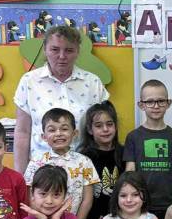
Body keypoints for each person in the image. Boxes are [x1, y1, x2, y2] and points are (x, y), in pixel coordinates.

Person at [14, 25, 109, 176]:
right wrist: (19, 177)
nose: (62, 56)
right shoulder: (29, 81)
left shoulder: (92, 83)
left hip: (83, 172)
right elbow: (22, 132)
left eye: (69, 50)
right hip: (41, 174)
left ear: (77, 51)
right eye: (55, 49)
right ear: (45, 49)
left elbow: (103, 130)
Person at [23, 108, 99, 219]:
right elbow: (30, 196)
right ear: (44, 136)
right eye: (52, 130)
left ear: (75, 133)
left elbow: (87, 199)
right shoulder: (36, 162)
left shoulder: (84, 162)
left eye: (64, 129)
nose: (58, 134)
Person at [123, 79, 172, 219]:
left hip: (170, 205)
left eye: (161, 101)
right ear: (141, 105)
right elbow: (130, 172)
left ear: (168, 103)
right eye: (150, 102)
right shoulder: (133, 137)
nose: (156, 106)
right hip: (141, 205)